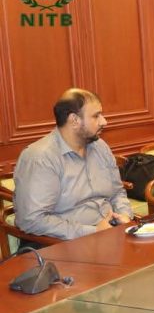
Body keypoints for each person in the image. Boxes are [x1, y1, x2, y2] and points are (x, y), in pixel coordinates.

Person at [13, 88, 133, 240]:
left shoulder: (100, 147)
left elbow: (117, 192)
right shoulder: (41, 158)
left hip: (109, 233)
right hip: (63, 243)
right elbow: (31, 220)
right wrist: (92, 231)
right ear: (74, 120)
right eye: (96, 116)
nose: (104, 121)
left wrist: (124, 215)